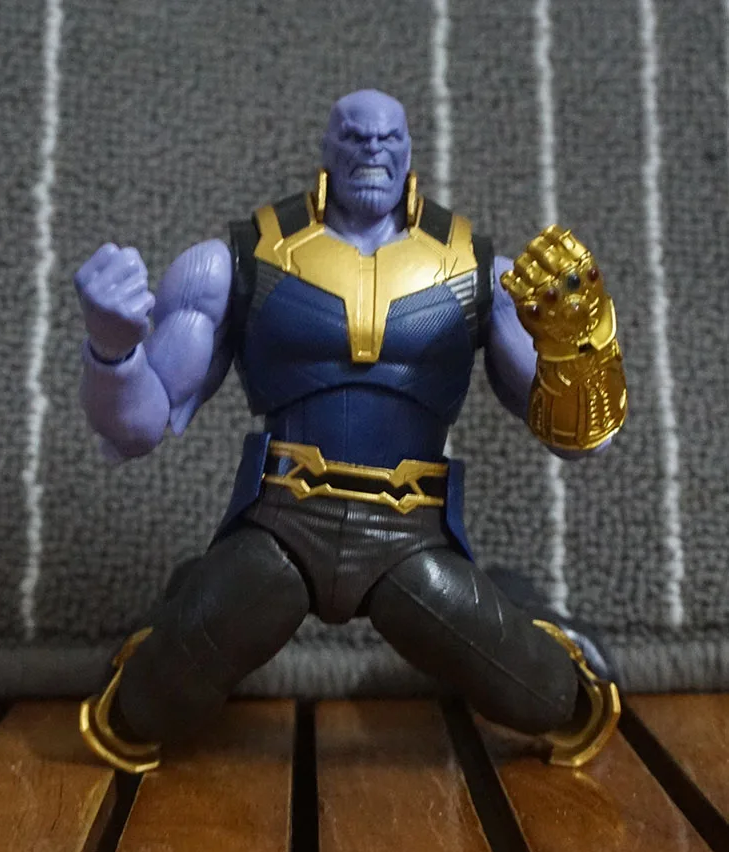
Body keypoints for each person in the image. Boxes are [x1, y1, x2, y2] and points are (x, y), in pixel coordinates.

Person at [75, 89, 627, 773]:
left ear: (410, 151)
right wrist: (112, 350)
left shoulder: (478, 270)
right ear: (327, 149)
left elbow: (582, 440)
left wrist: (581, 347)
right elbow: (135, 427)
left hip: (408, 534)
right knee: (135, 715)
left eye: (388, 138)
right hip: (281, 524)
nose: (372, 150)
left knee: (555, 702)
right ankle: (190, 596)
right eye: (355, 136)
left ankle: (514, 602)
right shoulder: (235, 262)